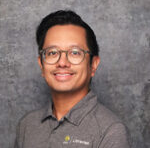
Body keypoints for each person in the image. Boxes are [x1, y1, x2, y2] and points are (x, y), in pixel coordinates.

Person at [14, 10, 130, 148]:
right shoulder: (27, 125)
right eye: (52, 52)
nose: (62, 62)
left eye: (75, 52)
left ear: (93, 65)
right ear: (41, 64)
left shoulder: (111, 131)